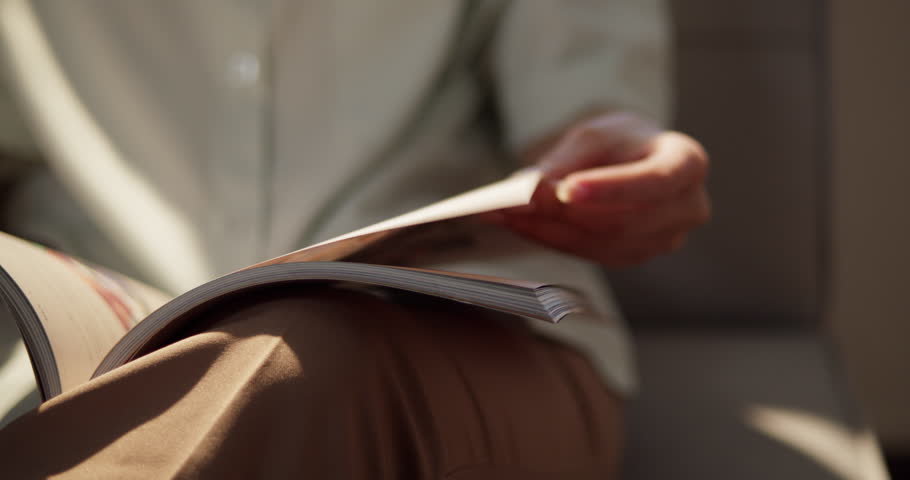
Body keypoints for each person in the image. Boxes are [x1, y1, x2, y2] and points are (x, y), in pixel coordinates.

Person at [0, 0, 709, 478]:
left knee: (293, 365)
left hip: (452, 334)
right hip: (69, 337)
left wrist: (622, 173)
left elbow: (586, 109)